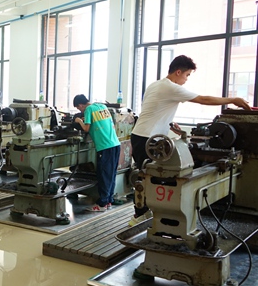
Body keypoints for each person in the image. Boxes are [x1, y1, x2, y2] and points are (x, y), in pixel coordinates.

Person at [129, 55, 252, 226]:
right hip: (147, 139)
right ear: (178, 72)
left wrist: (169, 122)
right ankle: (139, 216)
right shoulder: (171, 87)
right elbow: (203, 99)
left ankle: (147, 211)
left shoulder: (156, 85)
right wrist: (232, 99)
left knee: (147, 175)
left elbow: (154, 109)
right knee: (148, 177)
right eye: (187, 75)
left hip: (141, 135)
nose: (186, 80)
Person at [73, 95, 121, 212]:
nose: (80, 110)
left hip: (105, 146)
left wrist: (79, 120)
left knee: (103, 175)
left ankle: (102, 204)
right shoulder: (102, 106)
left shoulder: (88, 109)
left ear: (81, 105)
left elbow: (86, 129)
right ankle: (108, 201)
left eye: (78, 108)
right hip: (115, 144)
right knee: (111, 174)